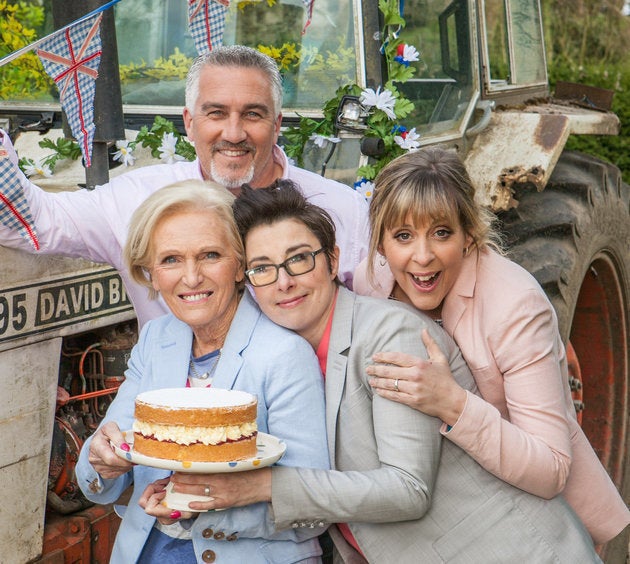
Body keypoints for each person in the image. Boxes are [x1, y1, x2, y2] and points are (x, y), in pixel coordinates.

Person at [148, 180, 600, 563]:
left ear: (331, 259)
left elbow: (407, 490)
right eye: (263, 268)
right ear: (248, 279)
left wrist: (261, 487)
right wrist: (188, 496)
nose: (283, 281)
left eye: (299, 259)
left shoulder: (389, 336)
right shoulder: (275, 352)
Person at [352, 146, 630, 546]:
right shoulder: (371, 282)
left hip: (530, 516)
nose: (423, 256)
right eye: (403, 236)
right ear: (380, 245)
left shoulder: (516, 305)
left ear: (469, 235)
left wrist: (452, 403)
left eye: (442, 232)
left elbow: (550, 469)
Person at [0, 45, 368, 328]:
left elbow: (384, 315)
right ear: (189, 124)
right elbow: (34, 223)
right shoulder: (137, 199)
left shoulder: (342, 208)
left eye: (253, 114)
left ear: (277, 124)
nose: (234, 133)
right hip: (172, 415)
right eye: (216, 113)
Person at [75, 180, 329, 563]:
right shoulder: (157, 339)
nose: (191, 278)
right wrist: (103, 462)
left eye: (210, 255)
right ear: (151, 273)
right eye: (171, 260)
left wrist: (202, 507)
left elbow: (313, 507)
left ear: (240, 264)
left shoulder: (284, 353)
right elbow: (97, 471)